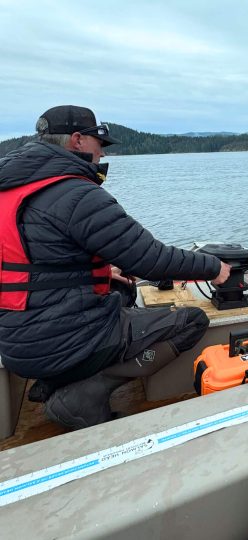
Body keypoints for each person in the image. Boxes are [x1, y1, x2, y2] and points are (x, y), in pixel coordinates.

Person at [0, 105, 231, 430]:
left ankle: (54, 382)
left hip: (16, 342)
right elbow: (152, 260)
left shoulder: (11, 187)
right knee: (192, 321)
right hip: (62, 342)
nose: (102, 154)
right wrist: (214, 268)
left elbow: (24, 261)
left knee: (123, 291)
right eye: (100, 144)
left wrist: (101, 272)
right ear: (77, 141)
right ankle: (86, 392)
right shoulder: (76, 193)